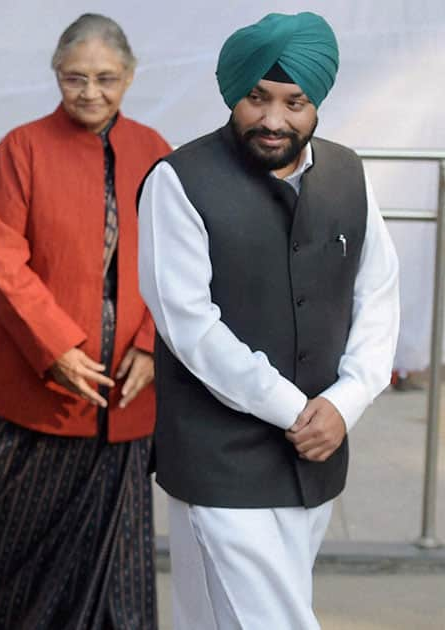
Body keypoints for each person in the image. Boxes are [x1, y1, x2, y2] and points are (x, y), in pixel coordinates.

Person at [137, 12, 399, 629]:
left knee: (211, 618)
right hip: (218, 457)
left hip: (316, 454)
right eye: (257, 97)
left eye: (294, 101)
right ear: (235, 93)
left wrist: (346, 402)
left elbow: (379, 297)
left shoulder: (348, 176)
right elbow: (190, 327)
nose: (274, 119)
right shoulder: (179, 181)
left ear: (317, 103)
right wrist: (295, 408)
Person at [0, 14, 170, 629]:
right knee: (9, 546)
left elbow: (182, 261)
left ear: (129, 77)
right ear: (56, 74)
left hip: (126, 385)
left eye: (106, 78)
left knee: (120, 573)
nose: (90, 92)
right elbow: (1, 258)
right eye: (75, 78)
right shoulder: (21, 146)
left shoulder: (155, 151)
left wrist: (153, 347)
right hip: (32, 382)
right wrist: (55, 347)